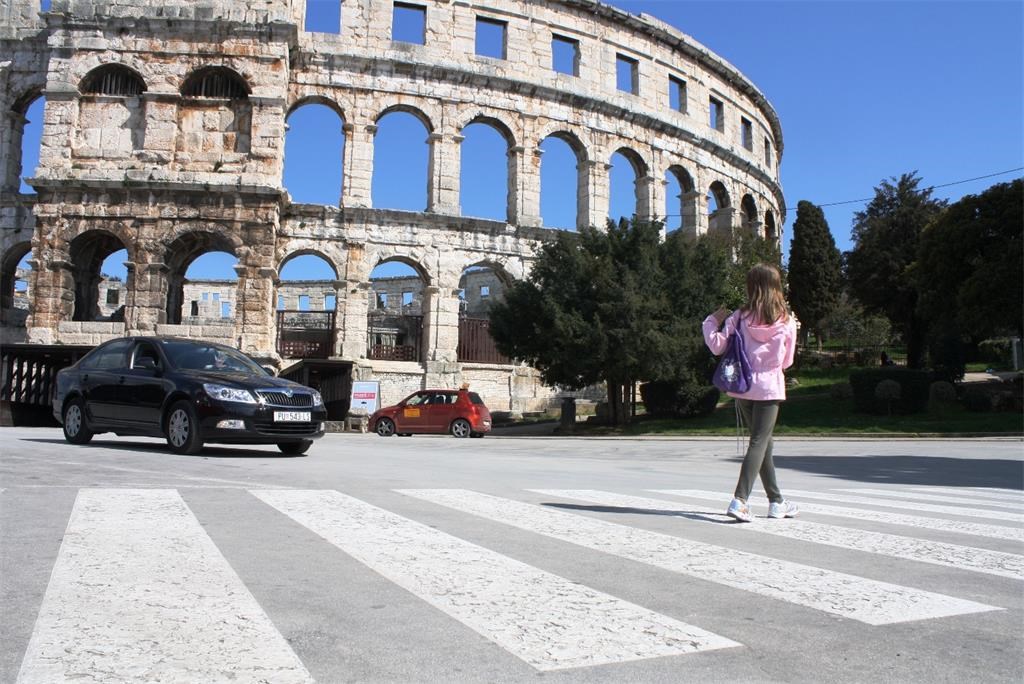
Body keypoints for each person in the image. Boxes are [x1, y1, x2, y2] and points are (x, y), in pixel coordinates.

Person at [703, 263, 799, 523]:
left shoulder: (739, 316)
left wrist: (712, 321)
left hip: (744, 387)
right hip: (769, 388)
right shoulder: (787, 321)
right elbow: (787, 362)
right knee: (759, 442)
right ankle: (740, 499)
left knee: (763, 443)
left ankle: (776, 501)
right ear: (776, 287)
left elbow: (717, 346)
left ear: (751, 287)